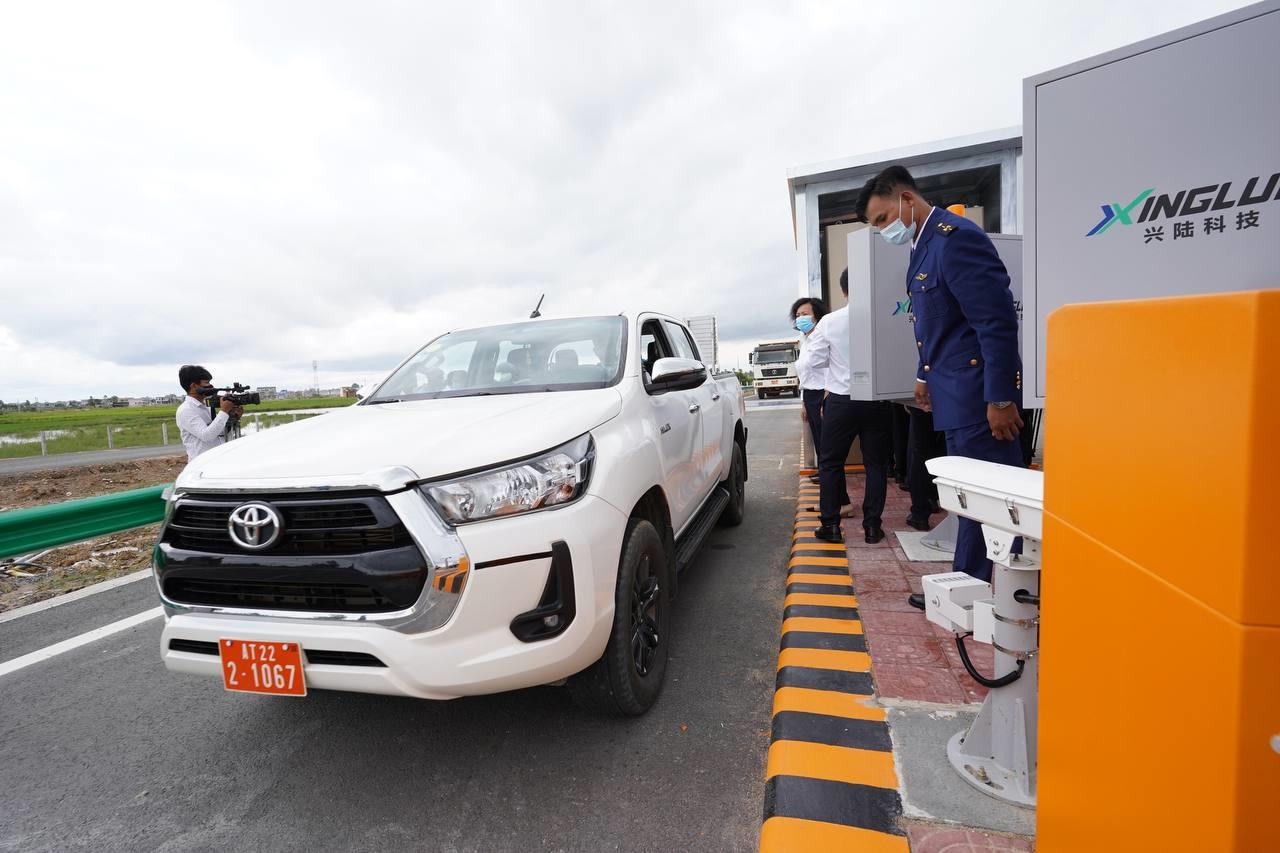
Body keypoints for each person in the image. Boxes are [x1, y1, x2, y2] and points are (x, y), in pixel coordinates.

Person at [855, 166, 1023, 608]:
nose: (882, 230)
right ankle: (971, 587)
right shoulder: (923, 245)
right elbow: (937, 327)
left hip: (979, 398)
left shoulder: (955, 239)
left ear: (907, 199)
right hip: (955, 393)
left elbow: (995, 322)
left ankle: (1000, 595)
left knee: (992, 502)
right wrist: (924, 376)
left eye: (883, 218)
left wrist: (1000, 397)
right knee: (972, 500)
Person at [796, 269, 892, 544]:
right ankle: (872, 526)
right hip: (876, 399)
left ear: (844, 290)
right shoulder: (884, 316)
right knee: (876, 464)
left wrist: (835, 360)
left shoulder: (830, 321)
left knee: (830, 462)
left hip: (841, 401)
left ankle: (830, 525)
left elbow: (812, 362)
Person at [176, 364, 238, 462]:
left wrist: (233, 417)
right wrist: (224, 411)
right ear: (194, 386)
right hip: (202, 463)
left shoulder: (207, 406)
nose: (210, 386)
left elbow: (219, 433)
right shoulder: (186, 410)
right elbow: (206, 436)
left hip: (217, 459)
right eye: (206, 382)